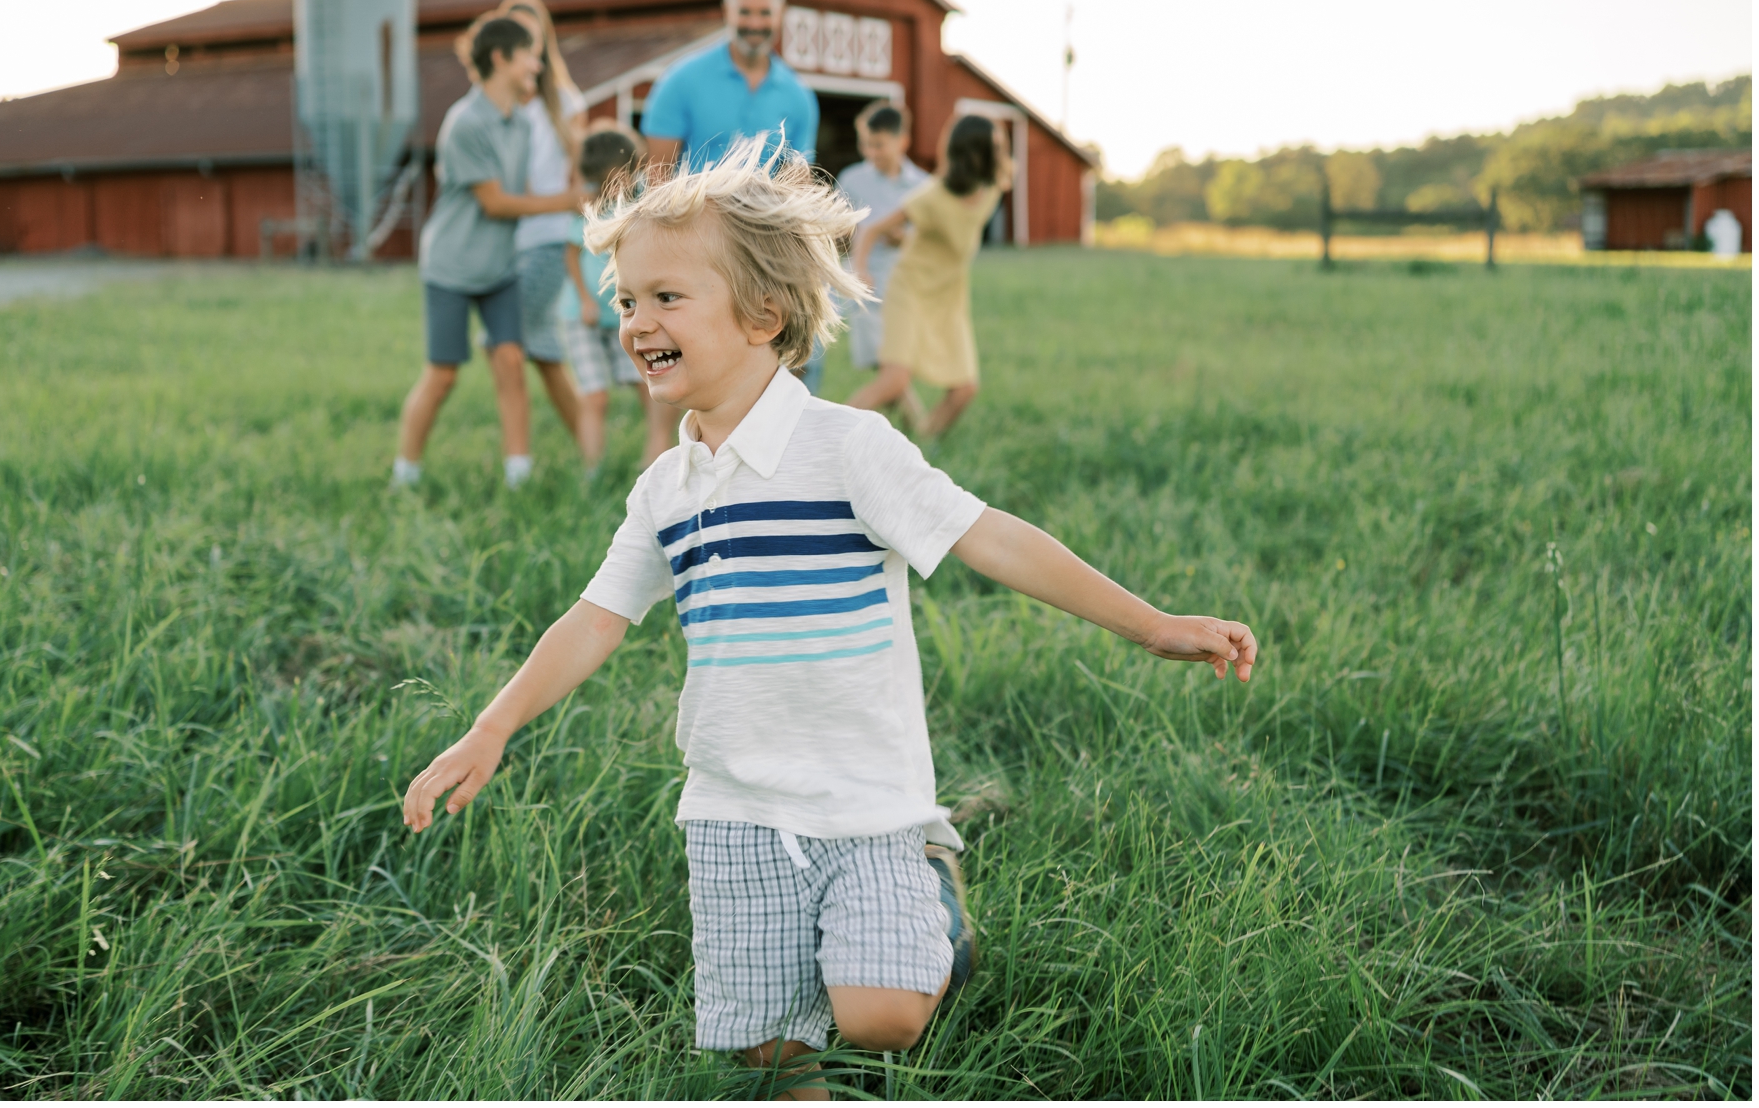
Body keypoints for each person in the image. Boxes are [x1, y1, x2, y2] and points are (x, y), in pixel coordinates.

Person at [403, 137, 1260, 1095]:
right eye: (626, 301)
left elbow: (989, 537)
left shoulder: (848, 448)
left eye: (666, 298)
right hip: (735, 808)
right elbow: (595, 619)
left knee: (879, 1013)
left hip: (868, 801)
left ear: (763, 314)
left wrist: (1151, 624)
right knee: (771, 1057)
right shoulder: (665, 489)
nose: (636, 321)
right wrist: (491, 728)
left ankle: (929, 898)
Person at [392, 13, 583, 491]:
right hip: (452, 267)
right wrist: (565, 202)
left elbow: (520, 191)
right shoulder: (465, 123)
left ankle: (519, 475)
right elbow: (496, 203)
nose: (537, 67)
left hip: (500, 268)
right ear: (501, 58)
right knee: (443, 376)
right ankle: (405, 474)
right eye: (529, 57)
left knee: (512, 361)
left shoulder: (518, 122)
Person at [642, 0, 825, 402]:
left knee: (798, 355)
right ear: (727, 12)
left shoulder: (798, 96)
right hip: (695, 244)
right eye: (746, 13)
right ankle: (659, 460)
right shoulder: (680, 83)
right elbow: (657, 179)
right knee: (684, 360)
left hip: (765, 246)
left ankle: (789, 452)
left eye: (765, 14)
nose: (755, 24)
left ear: (779, 16)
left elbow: (798, 184)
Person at [845, 116, 1008, 440]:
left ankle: (920, 442)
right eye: (995, 146)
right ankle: (827, 436)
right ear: (973, 152)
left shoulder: (993, 187)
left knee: (964, 389)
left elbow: (1007, 169)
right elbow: (872, 229)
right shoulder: (932, 195)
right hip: (910, 288)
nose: (1001, 151)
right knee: (894, 381)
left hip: (949, 295)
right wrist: (860, 269)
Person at [500, 0, 589, 440]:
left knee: (508, 340)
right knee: (540, 350)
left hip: (549, 237)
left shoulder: (565, 102)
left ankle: (520, 457)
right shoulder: (498, 104)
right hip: (506, 237)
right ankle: (586, 441)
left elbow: (579, 180)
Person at [558, 123, 652, 474]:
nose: (620, 186)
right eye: (611, 179)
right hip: (583, 316)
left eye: (625, 176)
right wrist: (584, 299)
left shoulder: (642, 201)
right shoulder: (589, 203)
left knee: (648, 386)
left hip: (624, 318)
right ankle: (592, 472)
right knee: (595, 396)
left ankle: (657, 454)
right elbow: (571, 253)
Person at [833, 101, 928, 428]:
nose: (871, 152)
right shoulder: (853, 179)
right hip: (865, 280)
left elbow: (930, 240)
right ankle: (917, 427)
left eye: (879, 145)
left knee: (895, 369)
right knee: (889, 366)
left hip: (905, 283)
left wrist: (905, 237)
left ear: (902, 141)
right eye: (866, 144)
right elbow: (838, 230)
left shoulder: (922, 186)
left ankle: (913, 426)